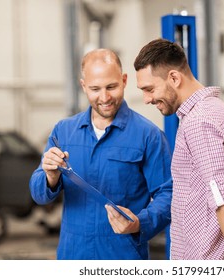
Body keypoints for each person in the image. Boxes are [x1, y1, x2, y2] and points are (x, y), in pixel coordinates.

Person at [29, 49, 172, 260]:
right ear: (83, 86)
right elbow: (38, 194)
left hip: (123, 257)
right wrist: (50, 177)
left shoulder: (147, 135)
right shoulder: (64, 132)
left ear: (124, 81)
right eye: (95, 89)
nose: (104, 97)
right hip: (73, 255)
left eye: (111, 87)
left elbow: (169, 193)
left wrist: (141, 222)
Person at [134, 38, 224, 260]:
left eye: (150, 89)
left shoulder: (199, 122)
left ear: (174, 77)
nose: (147, 99)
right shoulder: (222, 112)